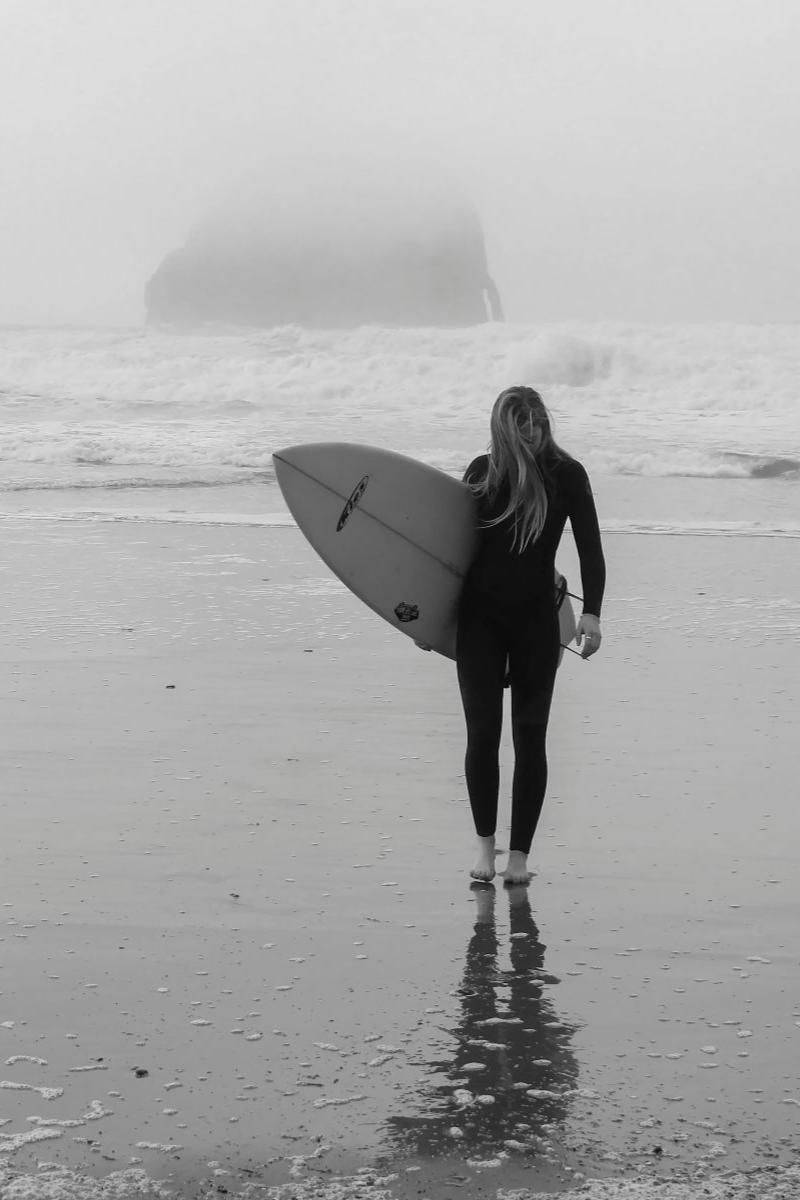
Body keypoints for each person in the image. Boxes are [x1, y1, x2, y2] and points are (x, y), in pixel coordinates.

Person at [456, 385, 605, 886]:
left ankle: (519, 858)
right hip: (477, 620)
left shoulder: (567, 475)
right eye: (522, 423)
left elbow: (590, 548)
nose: (534, 430)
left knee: (530, 736)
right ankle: (484, 847)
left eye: (538, 421)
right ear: (504, 428)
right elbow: (451, 552)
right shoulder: (482, 474)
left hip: (537, 620)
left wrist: (593, 615)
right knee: (482, 734)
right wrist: (425, 620)